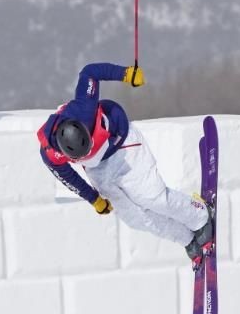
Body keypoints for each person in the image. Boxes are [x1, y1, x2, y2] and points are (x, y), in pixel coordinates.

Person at [37, 62, 213, 261]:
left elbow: (90, 72)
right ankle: (186, 238)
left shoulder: (83, 108)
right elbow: (68, 177)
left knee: (152, 198)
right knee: (134, 217)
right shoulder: (50, 154)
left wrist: (126, 74)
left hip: (122, 144)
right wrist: (93, 199)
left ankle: (200, 216)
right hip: (98, 168)